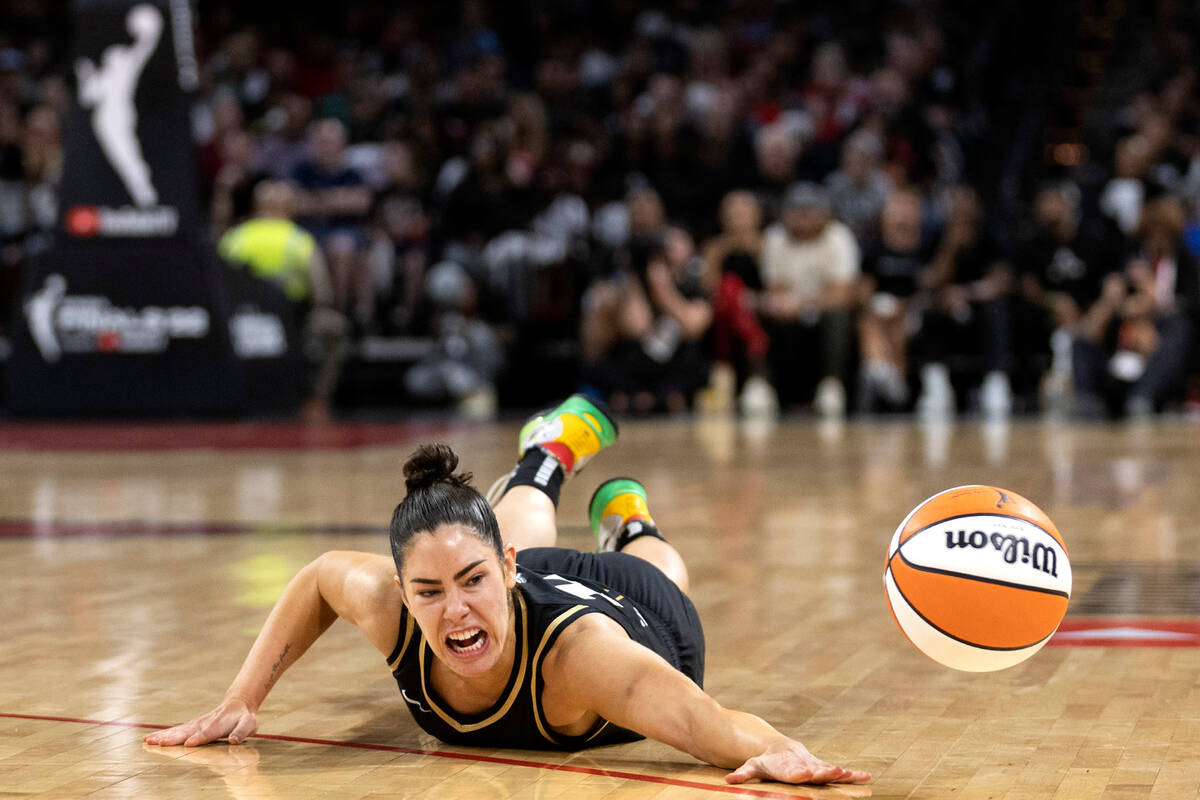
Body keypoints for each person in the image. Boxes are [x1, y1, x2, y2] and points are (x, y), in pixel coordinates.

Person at [144, 395, 870, 787]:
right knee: (504, 536)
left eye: (471, 582)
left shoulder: (584, 658)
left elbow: (705, 720)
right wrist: (242, 698)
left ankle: (627, 516)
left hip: (639, 612)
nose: (454, 609)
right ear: (401, 588)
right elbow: (319, 578)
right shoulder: (393, 604)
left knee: (662, 567)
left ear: (503, 571)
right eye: (427, 591)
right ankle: (548, 453)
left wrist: (781, 750)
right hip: (533, 574)